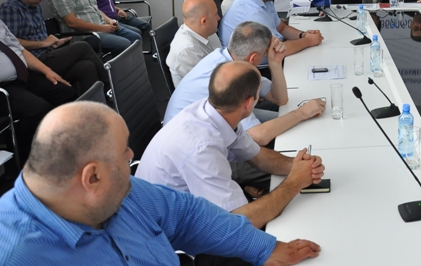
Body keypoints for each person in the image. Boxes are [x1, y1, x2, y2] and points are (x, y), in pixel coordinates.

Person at [0, 101, 321, 266]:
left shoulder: (119, 192)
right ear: (92, 177)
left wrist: (263, 247)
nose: (132, 156)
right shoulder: (18, 258)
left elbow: (187, 215)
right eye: (124, 152)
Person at [137, 61, 325, 231]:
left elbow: (258, 157)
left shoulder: (215, 112)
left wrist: (298, 166)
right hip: (161, 234)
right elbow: (239, 224)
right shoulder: (201, 147)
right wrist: (294, 182)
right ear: (249, 103)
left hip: (178, 212)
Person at [165, 21, 325, 148]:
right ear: (253, 57)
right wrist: (301, 113)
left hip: (202, 130)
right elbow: (260, 136)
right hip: (192, 149)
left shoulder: (227, 59)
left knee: (291, 123)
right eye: (265, 54)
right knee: (295, 128)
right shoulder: (230, 79)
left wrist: (275, 63)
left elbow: (280, 99)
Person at [0, 0, 109, 92]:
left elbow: (39, 38)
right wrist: (43, 44)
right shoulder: (10, 9)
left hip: (48, 53)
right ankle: (111, 87)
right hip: (34, 61)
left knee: (86, 67)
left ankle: (96, 101)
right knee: (82, 46)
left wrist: (53, 42)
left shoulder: (34, 6)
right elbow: (11, 44)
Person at [0, 19, 77, 162]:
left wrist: (47, 71)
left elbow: (20, 50)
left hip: (24, 76)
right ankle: (29, 158)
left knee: (66, 93)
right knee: (38, 110)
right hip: (3, 88)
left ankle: (65, 143)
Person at [220, 0, 323, 57]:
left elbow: (281, 28)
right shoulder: (252, 12)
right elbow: (276, 52)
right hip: (258, 67)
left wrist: (303, 35)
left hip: (273, 52)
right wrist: (308, 41)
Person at [166, 0, 222, 87]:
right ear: (204, 21)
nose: (218, 18)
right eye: (215, 14)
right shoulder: (187, 50)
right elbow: (211, 86)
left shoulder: (206, 30)